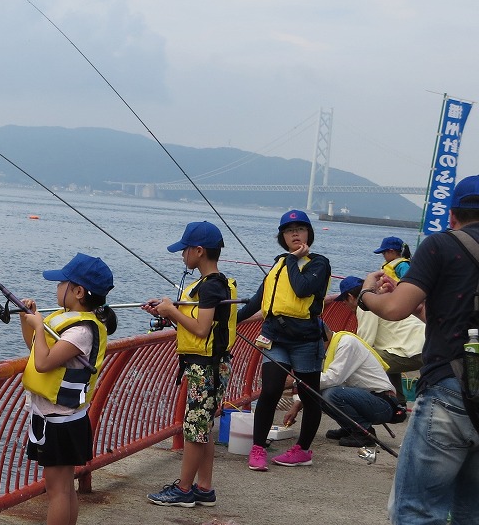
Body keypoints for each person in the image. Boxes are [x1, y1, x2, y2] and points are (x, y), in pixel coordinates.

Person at [359, 176, 479, 525]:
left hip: (449, 396)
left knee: (417, 514)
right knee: (472, 523)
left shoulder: (442, 246)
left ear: (453, 214)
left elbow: (391, 310)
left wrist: (369, 290)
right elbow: (451, 317)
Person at [9, 253, 116, 525]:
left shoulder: (82, 331)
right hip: (62, 419)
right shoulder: (70, 322)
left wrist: (40, 326)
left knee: (57, 489)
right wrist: (29, 320)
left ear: (78, 291)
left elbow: (42, 363)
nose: (57, 288)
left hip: (60, 422)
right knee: (65, 486)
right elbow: (36, 349)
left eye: (62, 283)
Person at [142, 221, 237, 507]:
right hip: (210, 364)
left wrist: (172, 310)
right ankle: (204, 488)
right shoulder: (212, 285)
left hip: (206, 367)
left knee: (194, 429)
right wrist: (168, 311)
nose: (183, 255)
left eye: (185, 250)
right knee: (203, 427)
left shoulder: (211, 287)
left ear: (199, 251)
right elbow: (197, 321)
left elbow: (201, 329)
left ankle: (184, 489)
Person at [237, 209, 332, 470]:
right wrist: (229, 322)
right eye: (289, 231)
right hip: (275, 336)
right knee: (269, 390)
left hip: (306, 340)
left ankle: (302, 450)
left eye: (300, 230)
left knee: (309, 395)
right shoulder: (278, 263)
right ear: (282, 237)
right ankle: (257, 448)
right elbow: (258, 300)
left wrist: (292, 260)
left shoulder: (319, 263)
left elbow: (302, 289)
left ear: (308, 234)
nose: (295, 234)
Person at [283, 279, 401, 449]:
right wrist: (296, 406)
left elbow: (333, 378)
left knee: (331, 394)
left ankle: (363, 432)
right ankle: (350, 427)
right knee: (324, 391)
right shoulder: (328, 349)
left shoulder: (346, 343)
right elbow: (317, 382)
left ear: (321, 338)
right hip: (367, 399)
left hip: (382, 403)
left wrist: (294, 381)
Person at [350, 271, 425, 406]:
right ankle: (398, 402)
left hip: (413, 351)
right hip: (424, 345)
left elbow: (364, 343)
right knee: (387, 357)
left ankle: (359, 402)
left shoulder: (367, 306)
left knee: (365, 362)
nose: (344, 306)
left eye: (343, 302)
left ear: (349, 297)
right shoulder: (386, 297)